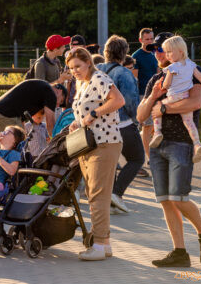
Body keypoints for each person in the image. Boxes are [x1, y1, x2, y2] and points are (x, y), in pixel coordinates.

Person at [137, 32, 201, 268]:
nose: (159, 54)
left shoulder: (190, 72)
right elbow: (141, 116)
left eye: (162, 49)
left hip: (181, 143)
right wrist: (153, 97)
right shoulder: (157, 80)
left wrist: (162, 109)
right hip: (158, 146)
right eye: (156, 51)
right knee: (166, 201)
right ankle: (179, 252)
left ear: (176, 51)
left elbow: (195, 103)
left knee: (179, 198)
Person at [66, 47, 125, 261]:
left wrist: (94, 113)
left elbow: (118, 101)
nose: (74, 71)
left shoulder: (99, 78)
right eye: (71, 68)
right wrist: (77, 122)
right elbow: (85, 111)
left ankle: (99, 245)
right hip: (89, 143)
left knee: (98, 196)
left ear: (88, 63)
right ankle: (105, 244)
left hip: (105, 142)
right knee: (94, 194)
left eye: (78, 66)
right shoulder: (81, 83)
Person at [96, 35, 144, 214]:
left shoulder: (97, 70)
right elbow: (130, 102)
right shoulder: (124, 73)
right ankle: (116, 193)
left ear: (106, 52)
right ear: (124, 54)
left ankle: (107, 197)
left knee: (110, 162)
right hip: (121, 124)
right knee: (136, 158)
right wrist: (136, 120)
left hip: (99, 125)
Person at [149, 36, 201, 163]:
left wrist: (161, 86)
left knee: (157, 107)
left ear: (181, 52)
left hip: (173, 97)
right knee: (189, 123)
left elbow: (166, 85)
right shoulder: (192, 65)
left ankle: (158, 132)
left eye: (169, 52)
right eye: (166, 52)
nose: (167, 55)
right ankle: (197, 144)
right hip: (185, 97)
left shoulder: (172, 68)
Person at [0, 80, 67, 135]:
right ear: (59, 91)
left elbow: (24, 116)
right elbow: (50, 126)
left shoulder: (42, 88)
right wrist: (55, 141)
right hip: (6, 115)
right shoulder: (50, 93)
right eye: (60, 102)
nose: (57, 106)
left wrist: (24, 134)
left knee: (6, 147)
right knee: (17, 149)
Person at [132, 28, 158, 176]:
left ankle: (150, 155)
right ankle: (149, 158)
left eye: (151, 39)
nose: (150, 41)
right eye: (147, 39)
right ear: (141, 40)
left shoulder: (155, 54)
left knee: (153, 127)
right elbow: (134, 79)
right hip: (143, 94)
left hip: (155, 94)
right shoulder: (137, 56)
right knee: (147, 127)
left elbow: (157, 72)